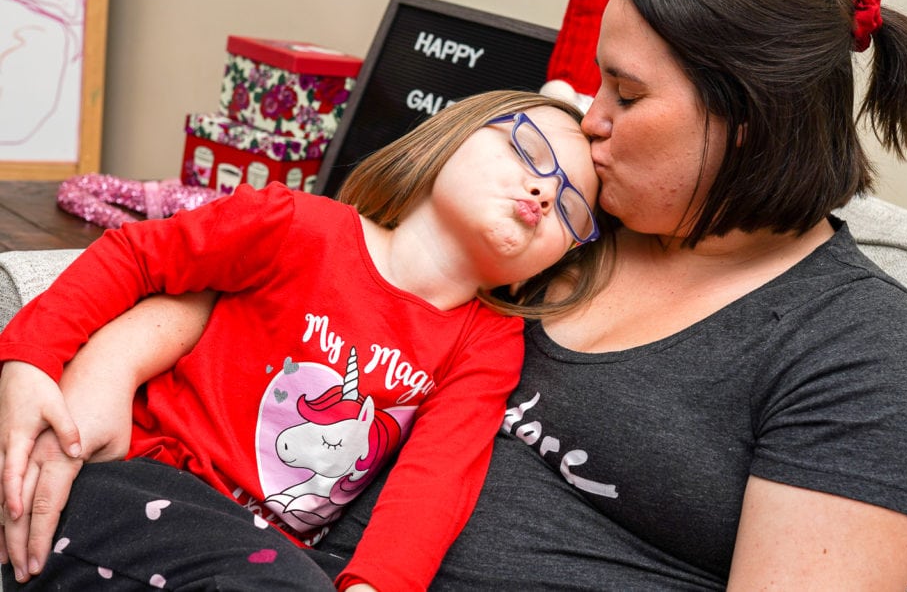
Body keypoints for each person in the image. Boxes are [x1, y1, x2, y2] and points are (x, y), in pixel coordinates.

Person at [3, 0, 907, 589]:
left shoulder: (858, 352)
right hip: (199, 526)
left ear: (741, 124)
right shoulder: (571, 214)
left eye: (625, 97)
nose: (589, 124)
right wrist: (107, 360)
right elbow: (307, 291)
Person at [0, 89, 607, 590]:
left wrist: (376, 585)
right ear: (450, 136)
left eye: (571, 207)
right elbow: (135, 259)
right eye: (529, 151)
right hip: (142, 477)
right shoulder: (295, 225)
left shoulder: (489, 341)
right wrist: (29, 360)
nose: (543, 191)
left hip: (265, 546)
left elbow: (437, 477)